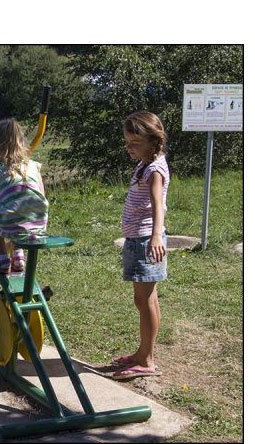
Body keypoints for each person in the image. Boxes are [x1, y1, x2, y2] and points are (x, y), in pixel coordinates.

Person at [111, 111, 170, 380]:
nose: (128, 147)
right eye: (126, 142)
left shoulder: (154, 169)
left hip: (146, 241)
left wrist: (156, 236)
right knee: (147, 299)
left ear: (152, 140)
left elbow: (159, 206)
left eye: (134, 142)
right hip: (140, 239)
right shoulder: (148, 163)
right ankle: (141, 353)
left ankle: (146, 360)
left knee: (144, 301)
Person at [0, 118, 49, 274]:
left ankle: (2, 259)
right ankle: (18, 257)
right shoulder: (34, 166)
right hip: (39, 224)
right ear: (22, 142)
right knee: (19, 212)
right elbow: (41, 194)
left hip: (12, 224)